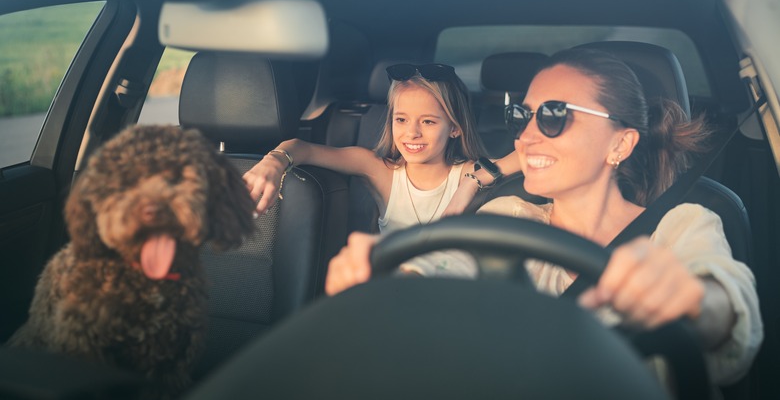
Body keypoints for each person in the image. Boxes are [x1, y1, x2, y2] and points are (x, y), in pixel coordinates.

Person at [323, 48, 762, 387]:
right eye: (522, 115)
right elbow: (445, 266)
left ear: (621, 144)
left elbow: (728, 307)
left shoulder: (684, 224)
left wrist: (694, 301)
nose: (527, 136)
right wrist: (388, 278)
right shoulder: (508, 215)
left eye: (553, 116)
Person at [243, 63, 517, 274]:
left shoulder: (469, 173)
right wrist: (274, 162)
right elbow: (304, 148)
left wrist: (472, 182)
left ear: (455, 128)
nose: (412, 133)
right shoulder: (380, 171)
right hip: (388, 295)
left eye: (429, 122)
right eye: (401, 119)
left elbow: (526, 156)